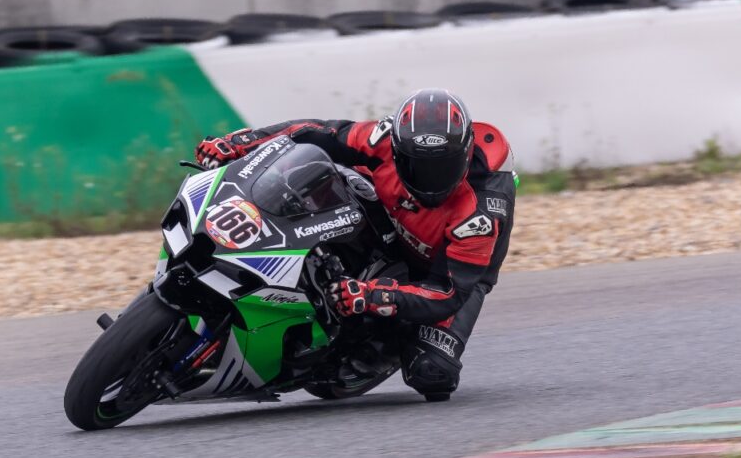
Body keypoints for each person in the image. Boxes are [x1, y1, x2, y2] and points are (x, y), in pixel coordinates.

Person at [195, 88, 515, 401]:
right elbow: (318, 133)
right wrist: (240, 143)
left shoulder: (480, 214)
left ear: (465, 155)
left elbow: (447, 293)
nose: (431, 179)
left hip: (447, 272)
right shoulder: (383, 139)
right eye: (418, 165)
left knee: (432, 373)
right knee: (312, 173)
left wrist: (372, 296)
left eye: (442, 167)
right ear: (397, 150)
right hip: (384, 213)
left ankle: (389, 335)